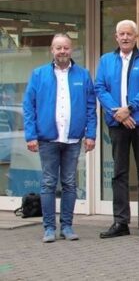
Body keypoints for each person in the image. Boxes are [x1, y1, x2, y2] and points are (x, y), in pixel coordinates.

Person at [23, 33, 97, 243]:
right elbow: (29, 107)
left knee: (70, 183)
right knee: (48, 183)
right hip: (47, 139)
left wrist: (90, 134)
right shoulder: (38, 75)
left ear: (71, 50)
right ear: (52, 51)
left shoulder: (83, 75)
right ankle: (48, 228)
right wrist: (31, 135)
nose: (62, 51)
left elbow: (91, 108)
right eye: (58, 48)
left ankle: (67, 226)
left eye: (65, 47)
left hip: (73, 139)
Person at [95, 20, 139, 239]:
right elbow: (100, 88)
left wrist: (130, 109)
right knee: (119, 173)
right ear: (116, 37)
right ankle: (120, 222)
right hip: (117, 123)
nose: (125, 37)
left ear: (136, 36)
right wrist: (117, 113)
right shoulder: (106, 60)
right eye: (121, 34)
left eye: (129, 34)